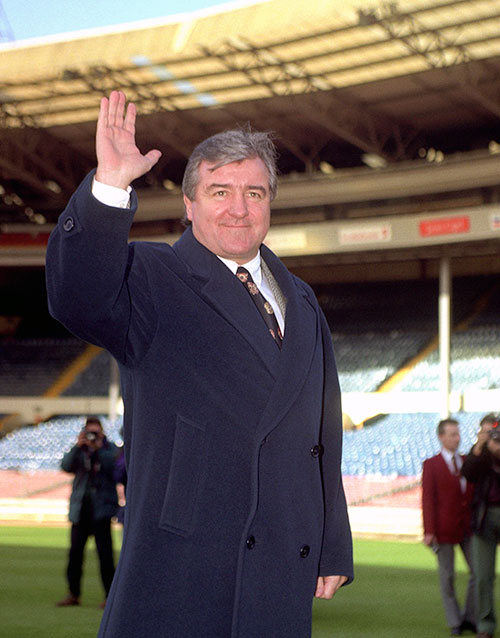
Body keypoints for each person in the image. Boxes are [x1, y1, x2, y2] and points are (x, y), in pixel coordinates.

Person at [46, 90, 353, 637]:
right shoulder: (152, 274)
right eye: (220, 191)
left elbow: (321, 434)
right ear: (190, 205)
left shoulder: (302, 300)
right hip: (183, 561)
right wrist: (110, 186)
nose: (239, 207)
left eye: (254, 192)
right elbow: (77, 298)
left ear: (270, 204)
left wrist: (331, 543)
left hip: (281, 557)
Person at [56, 416, 118, 608]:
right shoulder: (80, 451)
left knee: (105, 556)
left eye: (95, 433)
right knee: (75, 555)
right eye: (89, 432)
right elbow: (65, 466)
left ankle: (110, 597)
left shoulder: (110, 450)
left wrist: (99, 448)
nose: (92, 436)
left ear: (102, 433)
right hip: (81, 510)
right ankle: (73, 594)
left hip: (101, 511)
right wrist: (78, 446)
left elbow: (115, 468)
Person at [422, 418, 475, 636]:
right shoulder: (431, 465)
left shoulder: (467, 461)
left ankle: (470, 618)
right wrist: (429, 531)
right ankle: (455, 622)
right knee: (447, 577)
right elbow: (428, 499)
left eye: (458, 433)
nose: (457, 437)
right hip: (443, 529)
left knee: (478, 573)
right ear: (441, 437)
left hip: (469, 528)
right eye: (452, 434)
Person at [462, 413, 500, 638]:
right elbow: (468, 474)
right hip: (484, 518)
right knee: (483, 576)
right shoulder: (479, 453)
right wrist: (480, 447)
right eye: (489, 432)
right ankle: (485, 625)